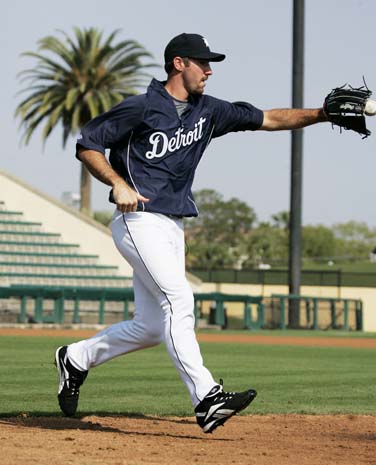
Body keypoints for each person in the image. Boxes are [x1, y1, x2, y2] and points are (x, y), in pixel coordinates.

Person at [55, 33, 327, 433]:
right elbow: (89, 144)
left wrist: (322, 113)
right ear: (179, 63)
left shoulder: (208, 111)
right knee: (179, 299)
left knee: (149, 327)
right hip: (138, 218)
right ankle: (206, 398)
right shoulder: (142, 106)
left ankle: (76, 358)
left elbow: (268, 119)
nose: (210, 70)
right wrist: (116, 182)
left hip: (172, 225)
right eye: (203, 62)